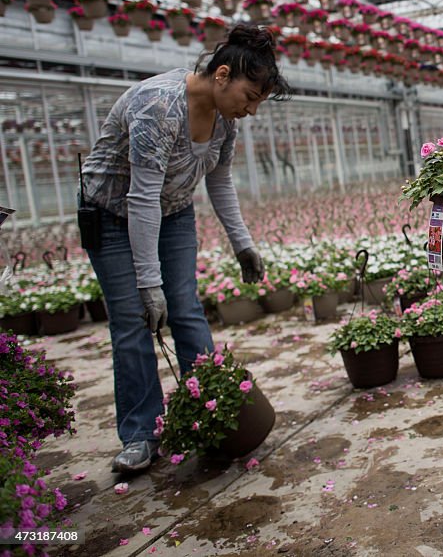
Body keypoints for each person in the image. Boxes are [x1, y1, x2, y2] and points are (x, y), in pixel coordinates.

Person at [79, 24, 290, 473]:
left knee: (187, 310)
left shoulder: (224, 122)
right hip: (113, 214)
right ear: (221, 75)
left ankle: (212, 415)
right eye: (249, 96)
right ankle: (140, 434)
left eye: (258, 102)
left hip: (172, 212)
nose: (251, 110)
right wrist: (147, 281)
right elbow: (140, 197)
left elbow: (219, 181)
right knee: (135, 320)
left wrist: (243, 245)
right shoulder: (158, 106)